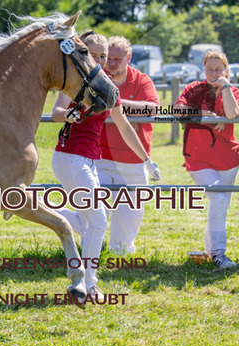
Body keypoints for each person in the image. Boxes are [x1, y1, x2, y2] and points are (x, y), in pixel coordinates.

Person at [51, 31, 161, 299]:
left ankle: (35, 206)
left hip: (89, 160)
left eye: (103, 56)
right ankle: (88, 284)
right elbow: (56, 113)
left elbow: (125, 127)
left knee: (90, 222)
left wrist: (146, 160)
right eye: (94, 55)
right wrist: (70, 114)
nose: (100, 60)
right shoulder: (74, 81)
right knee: (98, 221)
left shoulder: (108, 87)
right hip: (71, 157)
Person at [174, 51, 239, 269]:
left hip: (228, 159)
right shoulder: (194, 89)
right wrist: (203, 114)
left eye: (218, 69)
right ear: (204, 69)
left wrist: (226, 86)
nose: (213, 73)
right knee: (218, 199)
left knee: (220, 205)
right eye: (209, 69)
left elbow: (232, 114)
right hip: (198, 159)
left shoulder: (233, 91)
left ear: (226, 71)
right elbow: (178, 110)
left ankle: (211, 252)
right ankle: (219, 255)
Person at [99, 36, 160, 255]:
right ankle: (90, 251)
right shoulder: (99, 78)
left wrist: (116, 103)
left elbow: (152, 109)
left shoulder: (141, 80)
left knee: (130, 215)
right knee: (93, 210)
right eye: (108, 58)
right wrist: (130, 111)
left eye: (117, 59)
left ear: (129, 58)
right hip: (100, 157)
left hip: (133, 159)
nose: (111, 63)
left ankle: (121, 254)